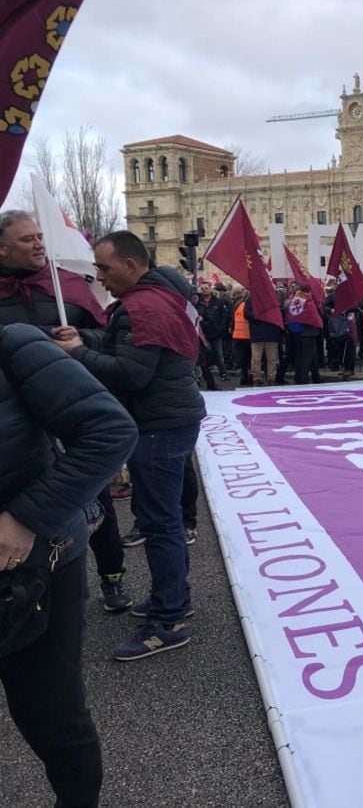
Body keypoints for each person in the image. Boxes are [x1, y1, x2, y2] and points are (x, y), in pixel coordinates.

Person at [0, 323, 138, 808]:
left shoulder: (13, 343)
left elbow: (110, 429)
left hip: (30, 571)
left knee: (52, 715)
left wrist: (25, 518)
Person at [53, 230, 206, 661]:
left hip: (159, 425)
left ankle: (169, 621)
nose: (98, 277)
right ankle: (172, 597)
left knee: (160, 523)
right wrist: (85, 338)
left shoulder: (145, 306)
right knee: (165, 519)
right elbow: (132, 347)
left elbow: (130, 373)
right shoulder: (159, 296)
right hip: (170, 418)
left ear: (131, 266)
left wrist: (77, 353)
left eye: (103, 267)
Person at [0, 210, 133, 613]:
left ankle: (113, 578)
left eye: (41, 236)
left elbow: (106, 337)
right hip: (20, 423)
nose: (39, 243)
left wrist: (79, 338)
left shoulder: (69, 286)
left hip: (72, 409)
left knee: (95, 502)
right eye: (27, 239)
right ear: (3, 248)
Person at [284, 283, 323, 385]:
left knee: (304, 356)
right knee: (306, 357)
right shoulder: (308, 302)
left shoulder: (292, 301)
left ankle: (316, 377)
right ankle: (302, 379)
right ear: (308, 292)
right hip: (309, 333)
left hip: (296, 333)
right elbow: (314, 316)